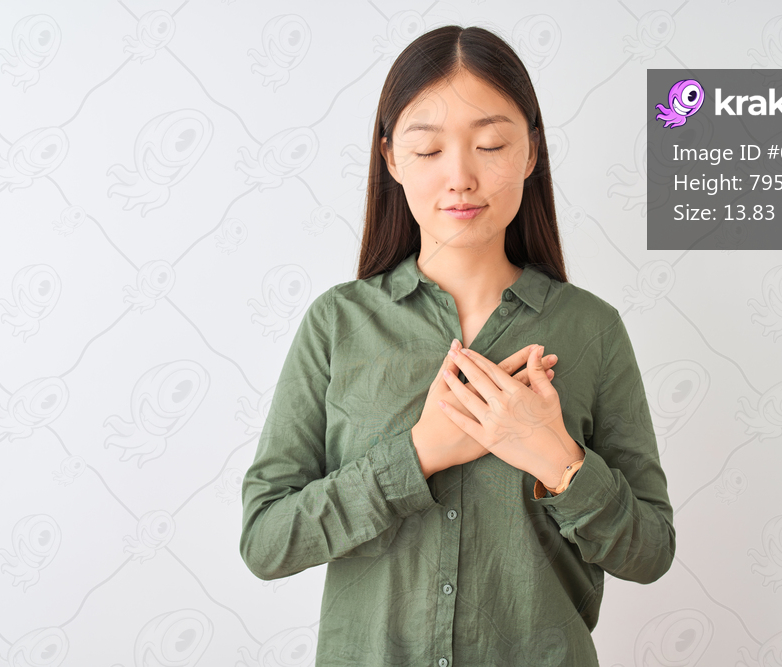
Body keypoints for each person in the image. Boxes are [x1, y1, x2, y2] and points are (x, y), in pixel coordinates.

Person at [239, 24, 675, 667]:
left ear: (530, 153)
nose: (461, 177)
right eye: (428, 150)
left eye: (491, 143)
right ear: (389, 159)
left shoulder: (593, 330)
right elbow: (267, 541)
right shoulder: (337, 324)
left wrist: (556, 459)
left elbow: (650, 552)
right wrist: (417, 455)